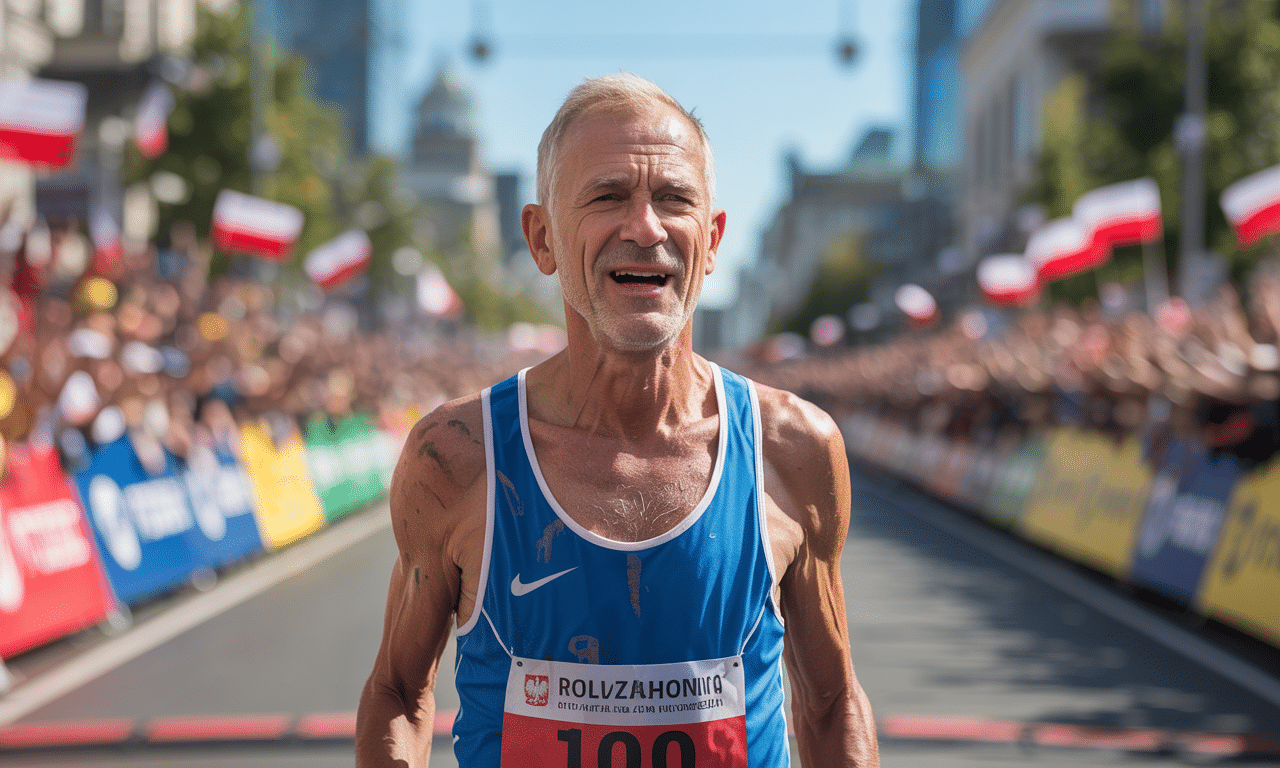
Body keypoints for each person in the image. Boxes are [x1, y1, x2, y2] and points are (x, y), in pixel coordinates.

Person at [356, 72, 878, 767]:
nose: (645, 227)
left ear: (713, 239)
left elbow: (832, 701)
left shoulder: (794, 449)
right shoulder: (456, 458)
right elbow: (397, 690)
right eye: (607, 197)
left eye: (674, 200)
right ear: (541, 239)